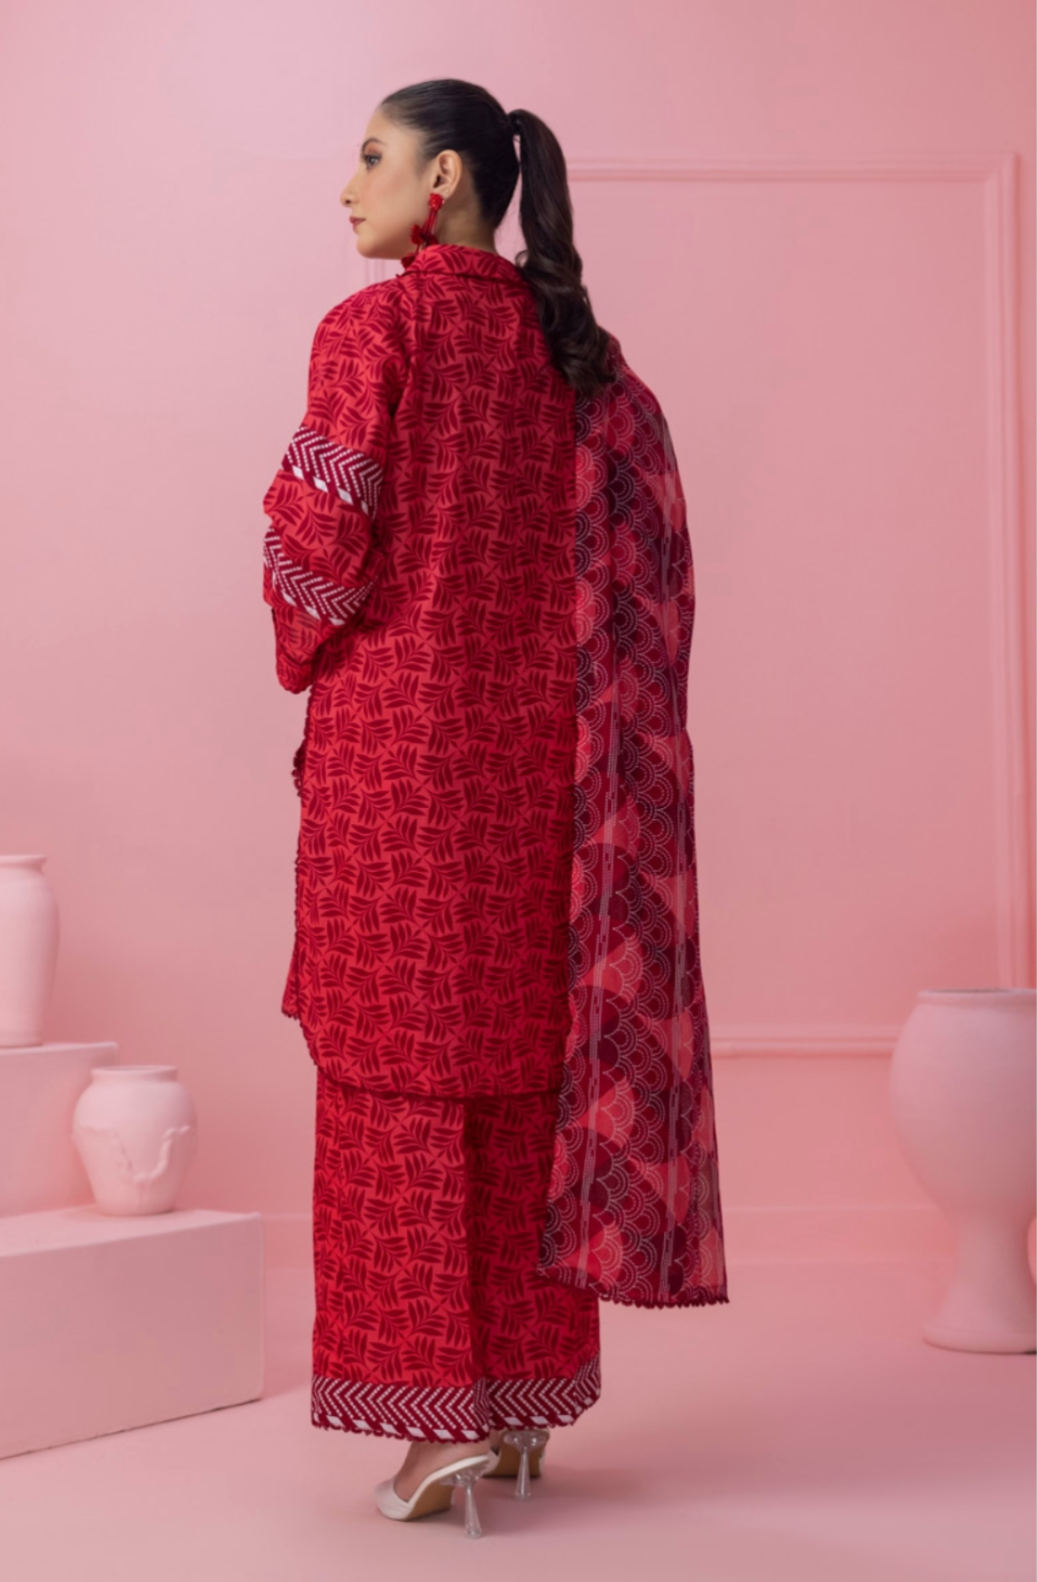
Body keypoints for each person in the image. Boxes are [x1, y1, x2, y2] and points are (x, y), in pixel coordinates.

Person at [261, 77, 728, 1539]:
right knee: (520, 1077)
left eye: (372, 157)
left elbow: (317, 551)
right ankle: (518, 1408)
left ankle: (432, 1436)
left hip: (401, 773)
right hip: (546, 777)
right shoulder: (579, 354)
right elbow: (655, 561)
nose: (349, 186)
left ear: (444, 180)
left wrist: (298, 632)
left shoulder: (376, 331)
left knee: (394, 1082)